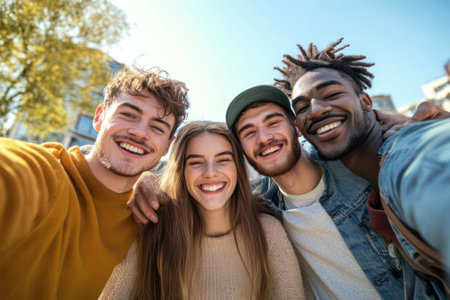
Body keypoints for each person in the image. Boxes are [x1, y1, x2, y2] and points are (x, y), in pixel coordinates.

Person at [274, 37, 449, 297]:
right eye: (302, 107)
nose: (317, 110)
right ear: (298, 128)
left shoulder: (410, 155)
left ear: (367, 101)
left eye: (332, 94)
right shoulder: (363, 178)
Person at [0, 66, 190, 299]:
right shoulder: (44, 172)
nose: (140, 132)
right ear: (99, 117)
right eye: (129, 114)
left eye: (157, 127)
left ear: (166, 148)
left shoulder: (144, 217)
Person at [100, 121, 304, 300]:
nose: (210, 173)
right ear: (180, 171)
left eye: (223, 160)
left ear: (238, 168)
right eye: (196, 162)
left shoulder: (267, 231)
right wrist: (141, 180)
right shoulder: (150, 227)